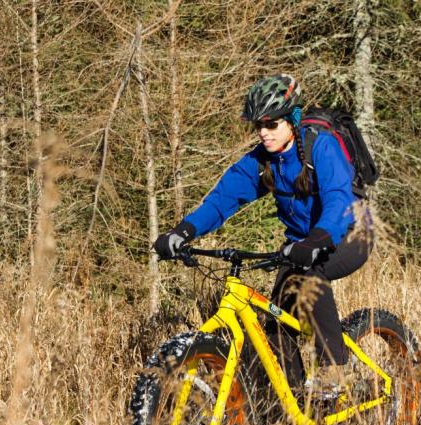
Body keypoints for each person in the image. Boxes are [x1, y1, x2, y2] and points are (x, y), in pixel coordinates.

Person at [153, 74, 372, 390]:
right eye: (258, 126)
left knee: (310, 276)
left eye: (271, 125)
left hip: (350, 232)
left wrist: (320, 238)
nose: (263, 133)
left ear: (291, 120)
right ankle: (294, 403)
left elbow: (338, 199)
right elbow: (222, 200)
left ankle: (335, 371)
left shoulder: (320, 148)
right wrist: (183, 232)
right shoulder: (261, 161)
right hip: (302, 242)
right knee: (275, 329)